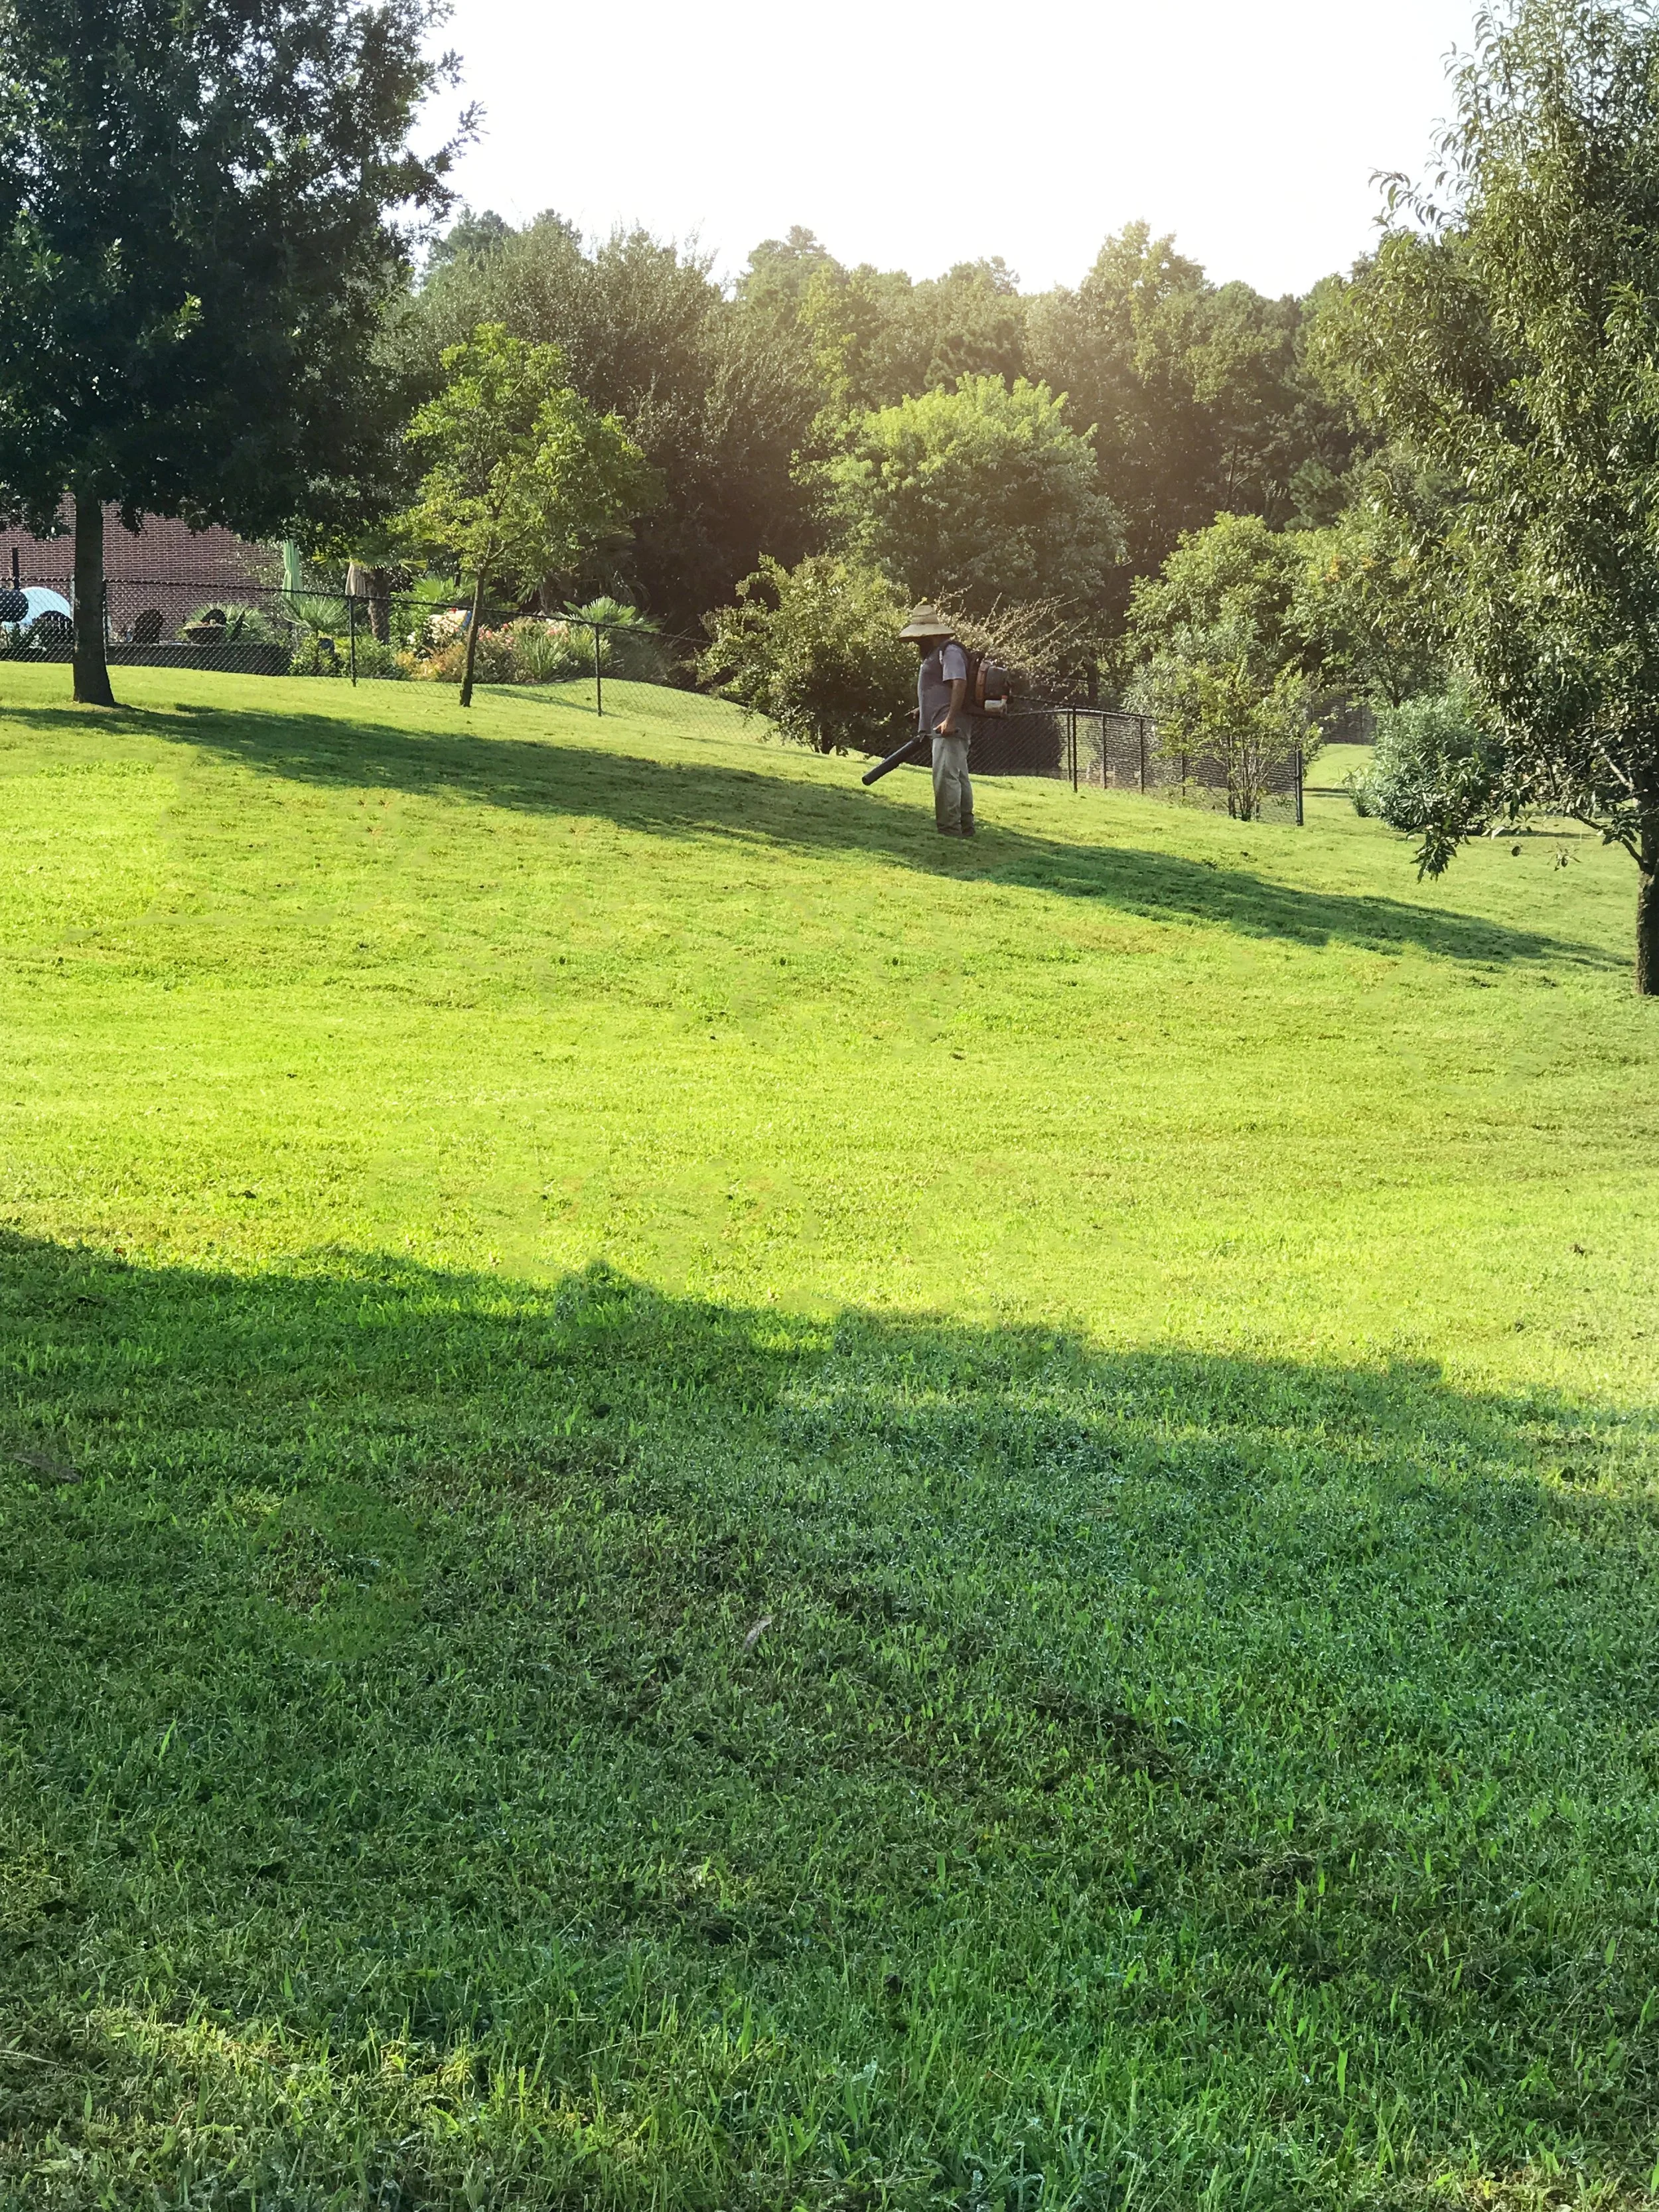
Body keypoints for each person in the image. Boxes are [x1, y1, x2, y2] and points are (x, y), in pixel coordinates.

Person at [899, 604, 975, 837]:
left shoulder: (949, 652)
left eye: (918, 639)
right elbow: (942, 690)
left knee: (945, 778)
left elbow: (959, 683)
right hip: (943, 722)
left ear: (927, 635)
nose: (916, 643)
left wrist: (950, 720)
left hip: (948, 727)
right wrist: (922, 710)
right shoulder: (939, 653)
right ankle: (964, 827)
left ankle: (949, 829)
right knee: (958, 776)